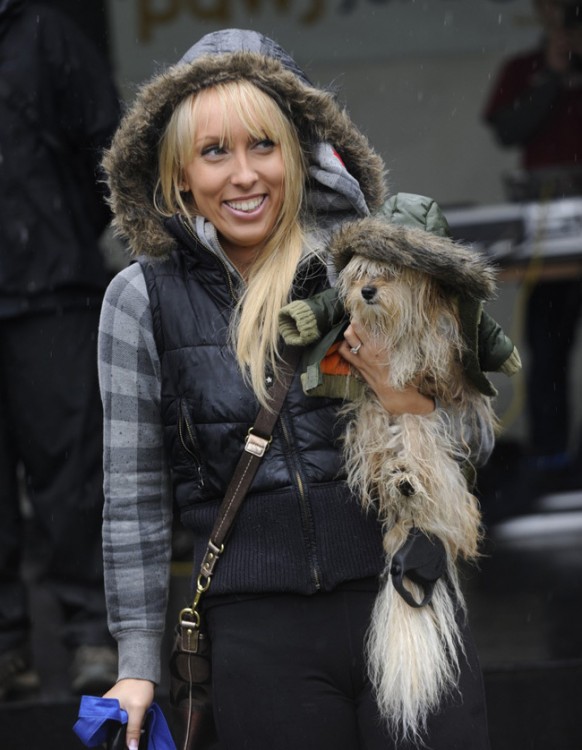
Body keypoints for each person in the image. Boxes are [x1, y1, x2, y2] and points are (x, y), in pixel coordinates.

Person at [98, 29, 494, 750]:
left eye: (263, 146)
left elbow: (474, 440)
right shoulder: (138, 300)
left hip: (402, 591)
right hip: (257, 634)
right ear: (179, 173)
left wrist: (407, 399)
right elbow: (132, 500)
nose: (243, 175)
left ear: (300, 156)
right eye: (215, 152)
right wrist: (134, 664)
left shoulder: (370, 265)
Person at [0, 0, 121, 698]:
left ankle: (89, 634)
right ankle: (5, 645)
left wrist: (59, 230)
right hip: (43, 280)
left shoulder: (46, 34)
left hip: (53, 293)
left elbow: (110, 150)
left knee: (73, 476)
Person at [482, 0, 582, 515]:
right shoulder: (525, 68)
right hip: (552, 233)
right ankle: (551, 466)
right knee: (547, 348)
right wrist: (555, 75)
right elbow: (507, 131)